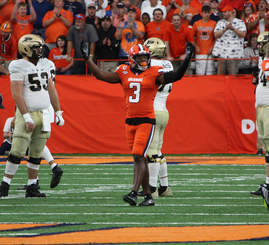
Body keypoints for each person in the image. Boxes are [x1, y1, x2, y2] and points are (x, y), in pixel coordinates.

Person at [80, 39, 194, 206]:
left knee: (138, 156)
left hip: (147, 120)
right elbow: (101, 75)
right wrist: (87, 58)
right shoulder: (123, 71)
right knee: (141, 158)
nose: (144, 61)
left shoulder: (154, 72)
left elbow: (175, 76)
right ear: (131, 59)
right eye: (140, 57)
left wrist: (187, 59)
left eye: (146, 57)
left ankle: (134, 192)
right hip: (130, 121)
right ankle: (148, 196)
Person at [0, 34, 65, 198]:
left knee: (36, 153)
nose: (39, 50)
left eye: (39, 47)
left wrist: (59, 112)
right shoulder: (17, 65)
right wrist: (26, 117)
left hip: (43, 113)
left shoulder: (46, 64)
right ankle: (4, 186)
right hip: (27, 113)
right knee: (17, 151)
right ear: (25, 48)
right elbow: (17, 94)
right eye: (35, 47)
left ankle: (32, 187)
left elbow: (52, 90)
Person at [137, 37, 173, 197]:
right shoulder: (168, 64)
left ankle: (152, 188)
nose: (142, 57)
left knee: (151, 152)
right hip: (164, 111)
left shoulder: (151, 66)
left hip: (152, 112)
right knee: (158, 151)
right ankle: (165, 186)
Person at [250, 23, 269, 197]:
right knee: (268, 150)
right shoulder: (266, 60)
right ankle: (268, 185)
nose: (258, 47)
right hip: (262, 108)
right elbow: (268, 55)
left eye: (261, 43)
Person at [212, 5, 246, 75]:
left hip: (234, 54)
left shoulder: (240, 22)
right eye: (223, 12)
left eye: (225, 12)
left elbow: (243, 34)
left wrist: (232, 28)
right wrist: (225, 29)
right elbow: (216, 35)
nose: (223, 13)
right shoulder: (220, 22)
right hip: (222, 53)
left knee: (232, 75)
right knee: (220, 76)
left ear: (230, 12)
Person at [192, 5, 217, 75]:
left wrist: (213, 48)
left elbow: (216, 37)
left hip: (210, 51)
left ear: (211, 13)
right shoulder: (196, 23)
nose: (207, 14)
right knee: (200, 73)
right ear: (202, 13)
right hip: (200, 51)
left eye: (208, 12)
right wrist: (196, 46)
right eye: (205, 12)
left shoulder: (214, 23)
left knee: (210, 73)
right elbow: (191, 37)